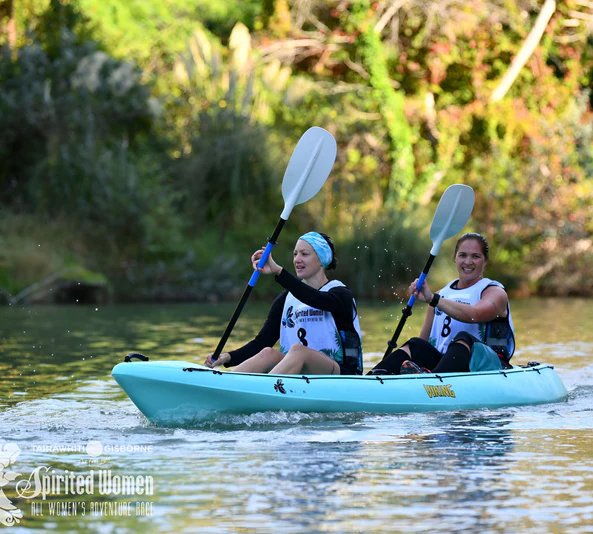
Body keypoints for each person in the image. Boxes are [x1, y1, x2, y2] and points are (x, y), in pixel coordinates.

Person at [204, 231, 363, 375]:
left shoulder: (340, 294)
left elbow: (316, 299)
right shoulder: (285, 299)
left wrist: (279, 272)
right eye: (295, 254)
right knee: (268, 352)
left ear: (321, 259)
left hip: (343, 376)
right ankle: (227, 383)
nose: (297, 259)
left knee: (299, 351)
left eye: (304, 254)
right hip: (298, 375)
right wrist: (226, 357)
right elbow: (261, 342)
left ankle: (261, 392)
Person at [369, 232, 515, 375]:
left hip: (485, 368)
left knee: (464, 338)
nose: (468, 262)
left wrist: (433, 299)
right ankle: (374, 377)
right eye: (463, 255)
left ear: (485, 261)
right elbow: (424, 343)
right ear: (455, 258)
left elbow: (474, 315)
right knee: (415, 345)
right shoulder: (442, 293)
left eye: (475, 256)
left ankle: (433, 383)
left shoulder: (494, 292)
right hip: (444, 367)